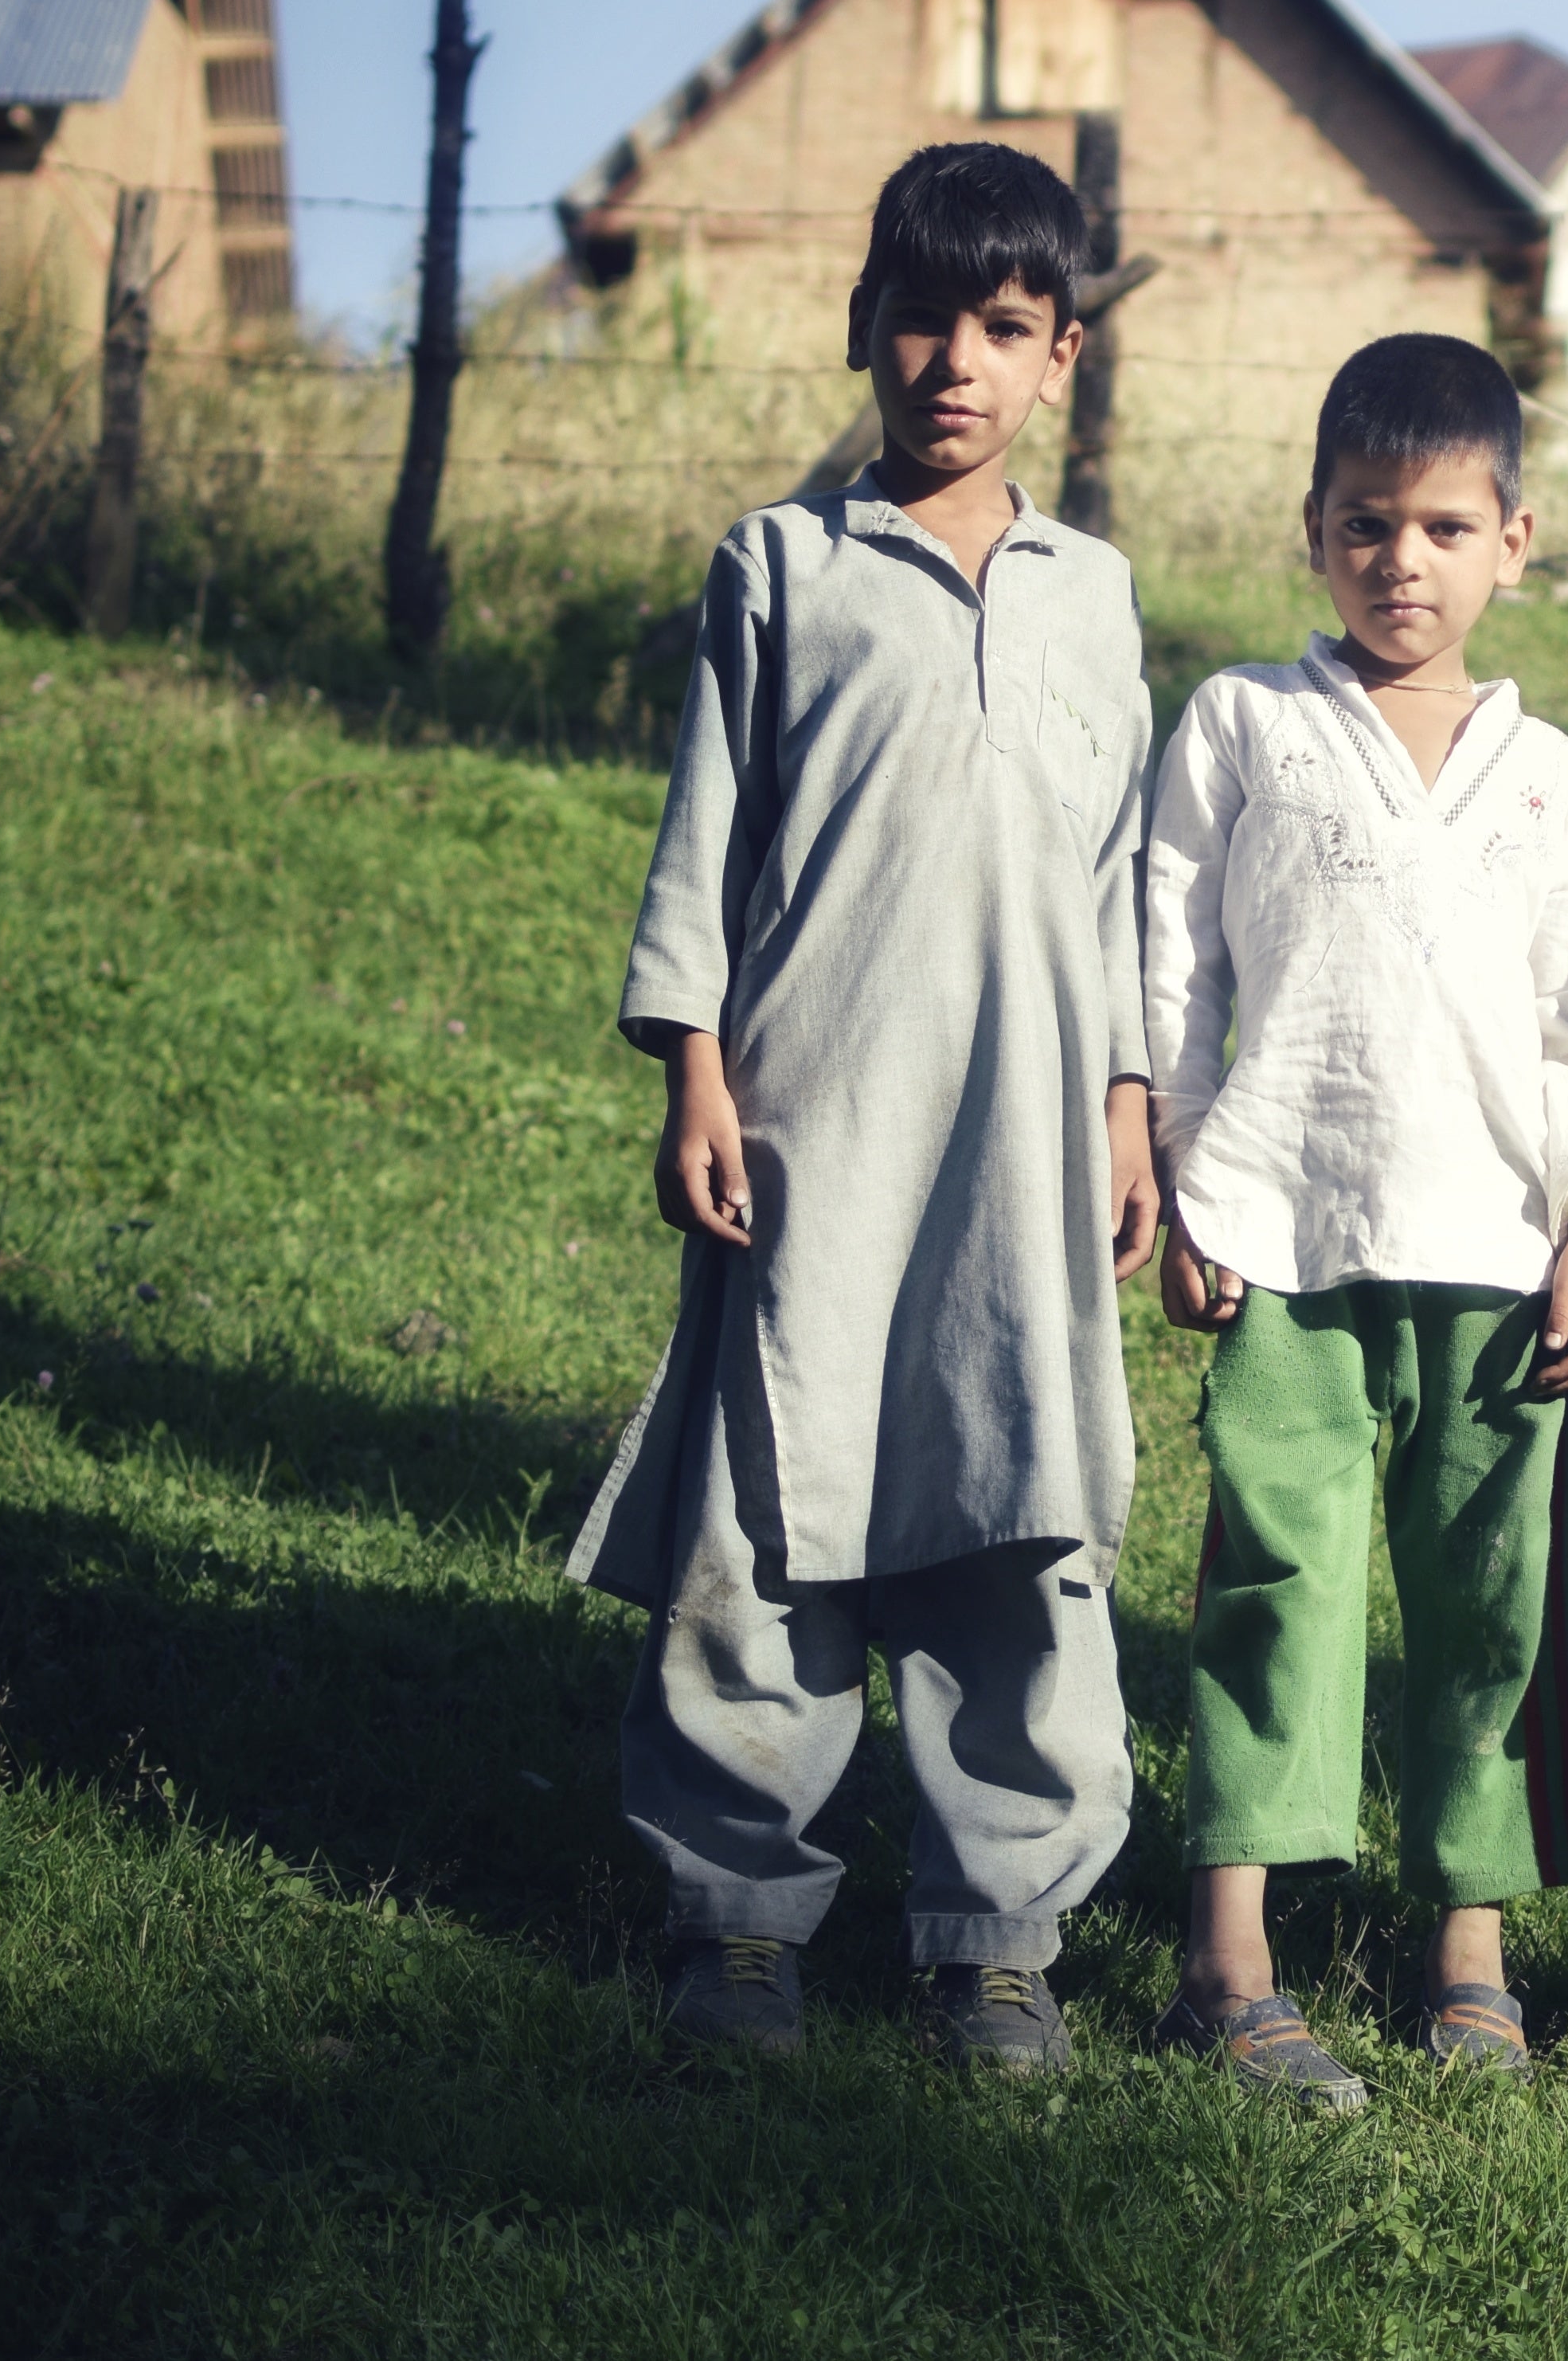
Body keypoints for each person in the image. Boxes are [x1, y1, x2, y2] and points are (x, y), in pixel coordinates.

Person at [563, 141, 1163, 2071]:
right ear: (861, 329)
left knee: (1021, 1498)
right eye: (921, 317)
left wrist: (1131, 1100)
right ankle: (737, 1915)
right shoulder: (784, 564)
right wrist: (694, 1072)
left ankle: (996, 1935)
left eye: (1003, 326)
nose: (954, 361)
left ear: (1061, 355)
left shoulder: (1098, 596)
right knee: (775, 1503)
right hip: (817, 1120)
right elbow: (701, 845)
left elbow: (1119, 873)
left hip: (1024, 1146)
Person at [1138, 334, 1568, 2109]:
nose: (1399, 560)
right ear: (1314, 530)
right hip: (1288, 1222)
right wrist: (1190, 1160)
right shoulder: (1246, 725)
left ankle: (1469, 1944)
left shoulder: (1549, 776)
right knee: (1276, 1579)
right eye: (1365, 523)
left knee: (1490, 1604)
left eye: (1440, 525)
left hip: (1501, 1254)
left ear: (1515, 537)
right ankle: (1231, 1954)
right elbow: (1173, 958)